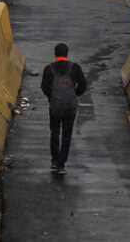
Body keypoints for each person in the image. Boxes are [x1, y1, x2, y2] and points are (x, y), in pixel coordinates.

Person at [40, 43, 88, 175]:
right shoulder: (75, 68)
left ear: (55, 54)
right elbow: (83, 85)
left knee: (55, 133)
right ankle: (62, 165)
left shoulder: (49, 69)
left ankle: (54, 160)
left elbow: (44, 87)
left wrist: (52, 97)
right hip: (70, 107)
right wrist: (74, 94)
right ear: (67, 54)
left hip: (55, 106)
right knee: (67, 135)